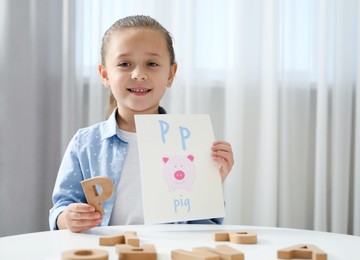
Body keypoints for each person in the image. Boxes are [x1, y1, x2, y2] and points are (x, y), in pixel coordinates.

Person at [49, 15, 234, 233]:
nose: (139, 74)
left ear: (171, 74)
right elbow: (61, 206)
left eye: (152, 64)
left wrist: (209, 185)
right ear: (105, 74)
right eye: (125, 64)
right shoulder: (86, 144)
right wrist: (67, 217)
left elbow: (204, 229)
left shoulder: (191, 143)